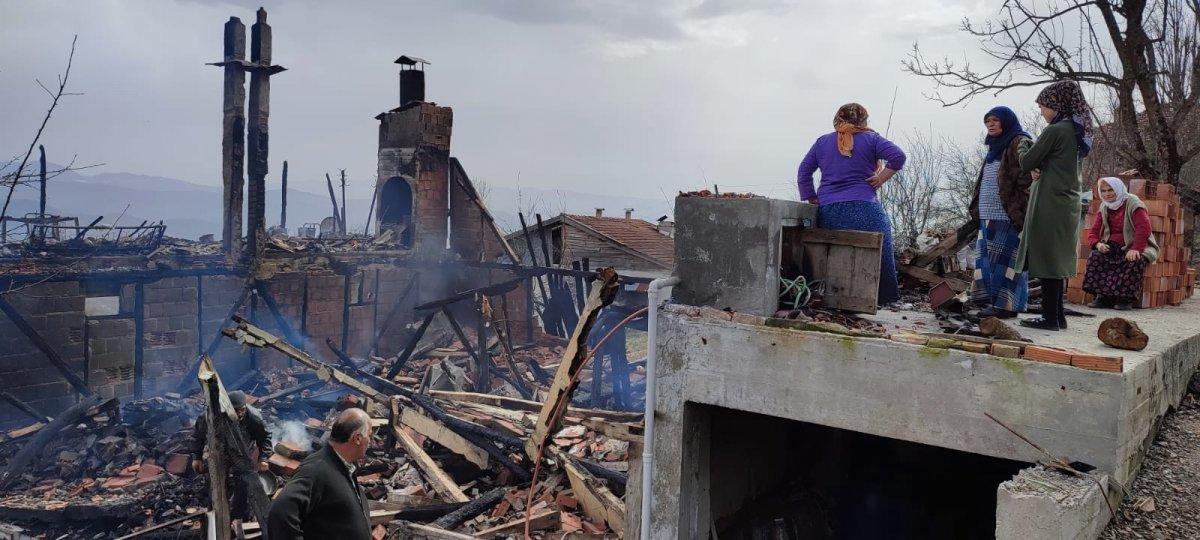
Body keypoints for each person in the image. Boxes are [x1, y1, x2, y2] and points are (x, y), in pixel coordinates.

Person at [797, 103, 907, 305]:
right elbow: (898, 157)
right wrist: (880, 178)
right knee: (881, 249)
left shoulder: (822, 142)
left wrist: (811, 196)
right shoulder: (871, 139)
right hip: (865, 209)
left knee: (833, 254)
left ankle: (830, 298)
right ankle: (882, 300)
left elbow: (804, 171)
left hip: (830, 211)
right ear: (863, 120)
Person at [1015, 80, 1095, 331]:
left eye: (1043, 106)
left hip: (1049, 201)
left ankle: (1049, 318)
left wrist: (1023, 144)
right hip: (1067, 200)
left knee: (1047, 258)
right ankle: (1058, 316)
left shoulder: (1056, 130)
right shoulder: (1076, 131)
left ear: (1056, 104)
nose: (1041, 112)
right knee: (1057, 259)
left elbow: (1027, 161)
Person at [968, 106, 1034, 319]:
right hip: (988, 214)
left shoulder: (1018, 141)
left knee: (1007, 263)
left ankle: (1006, 306)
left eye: (995, 120)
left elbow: (1027, 176)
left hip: (1008, 214)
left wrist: (1020, 202)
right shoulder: (994, 147)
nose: (991, 124)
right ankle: (993, 303)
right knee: (987, 262)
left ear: (1007, 121)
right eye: (987, 121)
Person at [267, 407, 373, 540]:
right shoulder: (316, 469)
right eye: (370, 435)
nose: (371, 441)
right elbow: (280, 512)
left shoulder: (342, 465)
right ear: (357, 438)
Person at [189, 390, 272, 520]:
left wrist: (264, 458)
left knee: (243, 485)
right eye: (235, 410)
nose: (239, 413)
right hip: (218, 453)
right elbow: (197, 437)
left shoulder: (253, 418)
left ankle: (239, 517)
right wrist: (197, 457)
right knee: (216, 485)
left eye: (242, 409)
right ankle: (216, 516)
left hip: (242, 453)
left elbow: (265, 438)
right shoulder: (209, 416)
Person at [1082, 177, 1158, 310]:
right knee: (1096, 256)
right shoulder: (1104, 206)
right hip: (1112, 246)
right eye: (1103, 191)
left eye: (1110, 190)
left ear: (1118, 188)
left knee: (1134, 261)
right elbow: (1093, 232)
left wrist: (1136, 249)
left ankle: (1124, 299)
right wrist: (1098, 244)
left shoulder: (1133, 203)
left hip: (1134, 245)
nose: (1107, 194)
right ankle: (1103, 296)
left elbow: (1144, 228)